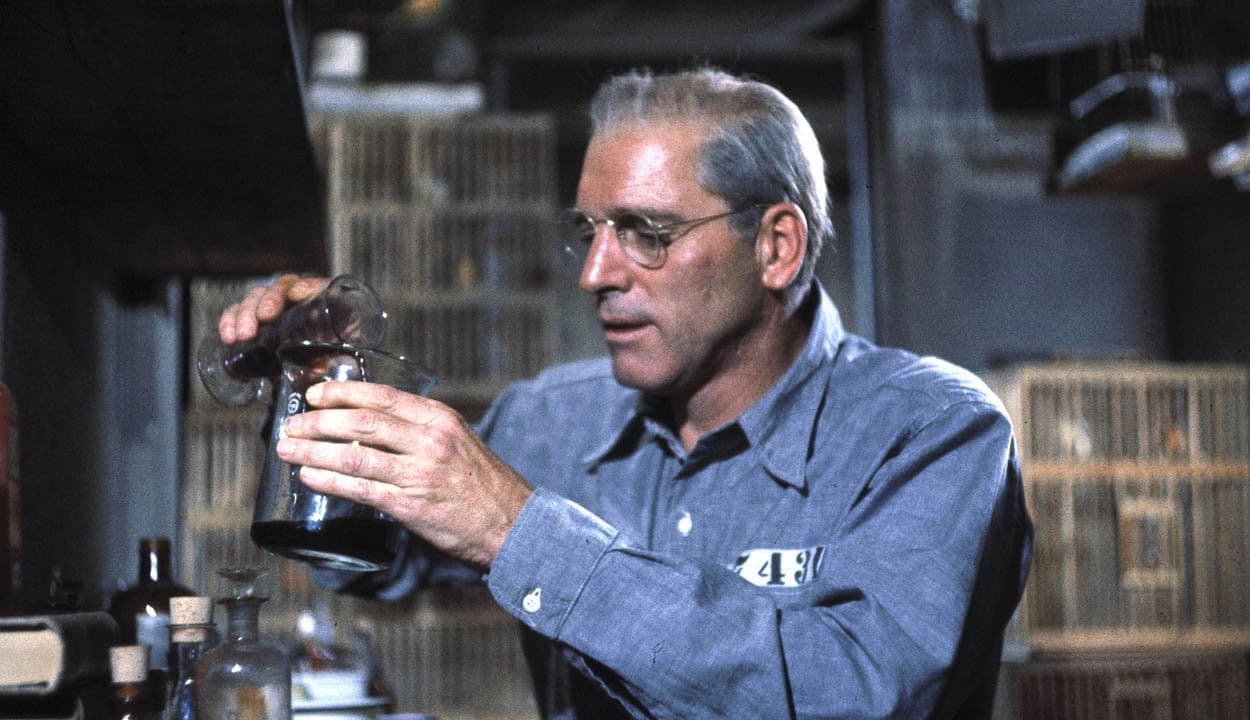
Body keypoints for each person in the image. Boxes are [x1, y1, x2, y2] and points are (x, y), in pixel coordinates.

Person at [221, 67, 1032, 719]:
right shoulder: (552, 420)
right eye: (589, 232)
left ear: (776, 246)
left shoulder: (931, 431)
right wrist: (319, 381)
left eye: (648, 233)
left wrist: (518, 531)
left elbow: (859, 695)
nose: (595, 275)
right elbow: (368, 561)